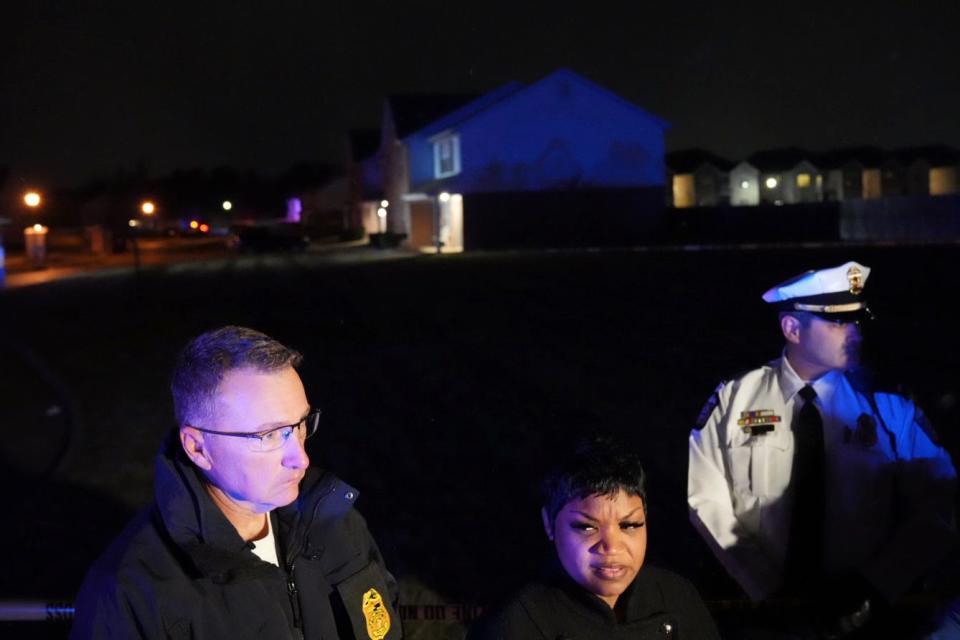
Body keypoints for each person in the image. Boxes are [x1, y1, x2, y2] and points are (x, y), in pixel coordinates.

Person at [70, 326, 401, 639]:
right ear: (198, 448)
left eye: (300, 424)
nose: (300, 458)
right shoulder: (134, 593)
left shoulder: (333, 520)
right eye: (269, 434)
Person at [688, 261, 957, 637]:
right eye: (837, 322)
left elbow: (940, 502)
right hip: (761, 615)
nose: (854, 333)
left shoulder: (887, 405)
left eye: (856, 321)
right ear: (792, 328)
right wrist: (765, 589)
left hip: (868, 618)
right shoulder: (735, 399)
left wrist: (876, 585)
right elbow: (706, 500)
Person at [469, 437, 720, 639]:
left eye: (629, 525)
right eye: (586, 528)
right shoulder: (510, 626)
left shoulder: (676, 595)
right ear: (549, 524)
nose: (611, 547)